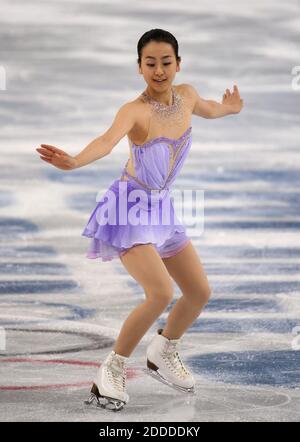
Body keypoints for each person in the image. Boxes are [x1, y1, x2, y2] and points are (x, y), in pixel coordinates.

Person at [36, 28, 243, 411]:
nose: (159, 70)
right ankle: (111, 371)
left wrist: (230, 108)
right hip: (127, 209)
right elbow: (105, 141)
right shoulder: (135, 110)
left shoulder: (187, 96)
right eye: (150, 63)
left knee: (199, 293)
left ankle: (164, 349)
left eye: (166, 62)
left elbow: (210, 108)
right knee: (161, 292)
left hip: (162, 209)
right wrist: (75, 160)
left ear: (179, 64)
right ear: (139, 68)